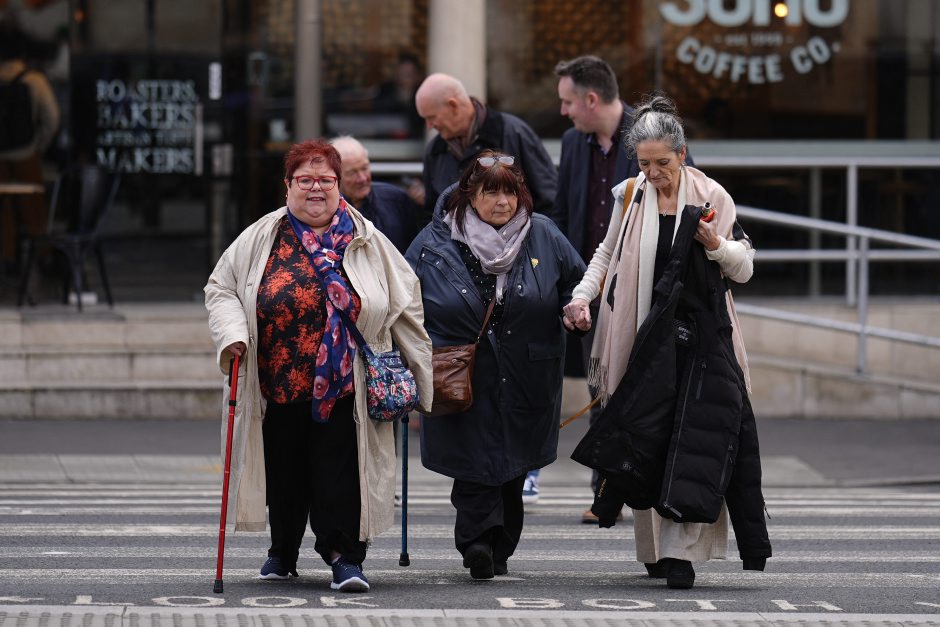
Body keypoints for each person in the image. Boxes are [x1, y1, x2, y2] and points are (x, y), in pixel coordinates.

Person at [204, 139, 433, 593]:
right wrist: (232, 334)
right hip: (277, 379)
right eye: (304, 179)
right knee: (284, 471)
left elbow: (406, 301)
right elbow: (221, 288)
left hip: (347, 383)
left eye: (325, 180)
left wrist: (418, 371)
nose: (315, 188)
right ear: (287, 185)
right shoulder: (261, 235)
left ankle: (344, 558)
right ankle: (282, 551)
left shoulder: (368, 239)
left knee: (341, 475)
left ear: (338, 185)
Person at [562, 95, 770, 590]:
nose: (653, 174)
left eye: (662, 164)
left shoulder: (712, 196)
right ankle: (656, 551)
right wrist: (582, 296)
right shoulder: (630, 195)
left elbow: (744, 267)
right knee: (645, 443)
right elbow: (606, 253)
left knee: (694, 444)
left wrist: (714, 244)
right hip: (641, 340)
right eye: (644, 164)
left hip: (701, 342)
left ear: (682, 154)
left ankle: (682, 554)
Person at [405, 149, 585, 580]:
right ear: (470, 195)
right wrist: (409, 355)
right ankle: (477, 543)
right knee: (473, 461)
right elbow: (405, 299)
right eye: (492, 192)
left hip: (527, 370)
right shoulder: (434, 241)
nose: (503, 202)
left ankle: (500, 546)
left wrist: (575, 309)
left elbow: (576, 282)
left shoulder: (543, 234)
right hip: (461, 370)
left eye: (511, 192)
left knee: (514, 463)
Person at [551, 55, 694, 523]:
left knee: (648, 392)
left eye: (568, 101)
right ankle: (606, 490)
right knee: (604, 389)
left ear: (591, 99)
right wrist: (575, 285)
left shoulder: (653, 134)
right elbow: (564, 212)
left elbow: (687, 200)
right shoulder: (573, 143)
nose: (563, 111)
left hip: (649, 291)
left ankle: (644, 489)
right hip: (595, 287)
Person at [414, 73, 557, 226]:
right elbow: (432, 214)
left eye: (431, 117)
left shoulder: (514, 133)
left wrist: (532, 238)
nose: (429, 126)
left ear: (453, 106)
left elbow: (549, 199)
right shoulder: (434, 151)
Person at [0, 18, 59, 275]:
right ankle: (42, 255)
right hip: (26, 152)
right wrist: (40, 144)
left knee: (3, 210)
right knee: (34, 207)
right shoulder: (34, 80)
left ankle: (7, 257)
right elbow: (51, 118)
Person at [330, 135, 419, 254]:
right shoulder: (325, 212)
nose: (362, 178)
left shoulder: (397, 200)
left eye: (364, 168)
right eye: (352, 173)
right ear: (334, 177)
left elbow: (413, 253)